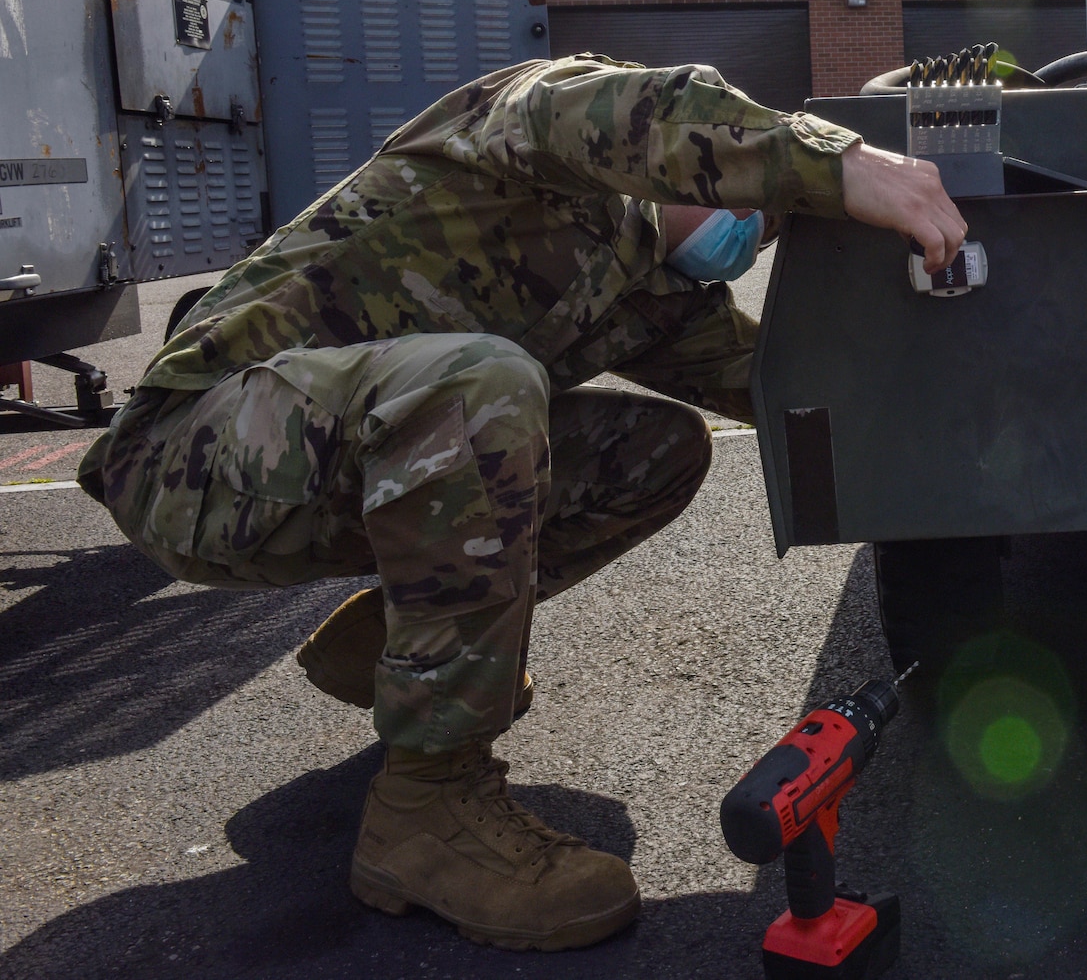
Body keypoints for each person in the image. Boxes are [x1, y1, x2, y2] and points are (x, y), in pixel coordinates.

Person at [76, 54, 965, 952]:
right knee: (482, 389)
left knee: (659, 453)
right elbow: (648, 110)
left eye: (765, 231)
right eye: (747, 193)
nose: (752, 225)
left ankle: (406, 642)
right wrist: (842, 162)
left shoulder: (660, 302)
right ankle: (426, 807)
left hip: (327, 472)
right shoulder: (543, 130)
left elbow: (789, 388)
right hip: (193, 453)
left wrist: (974, 403)